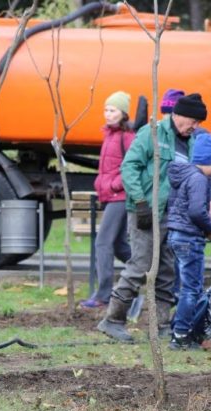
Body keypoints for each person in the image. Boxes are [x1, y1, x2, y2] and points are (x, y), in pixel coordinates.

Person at [96, 93, 208, 343]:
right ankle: (112, 320)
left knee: (167, 271)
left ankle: (160, 325)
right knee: (140, 266)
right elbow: (129, 167)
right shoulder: (153, 133)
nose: (196, 126)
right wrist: (140, 202)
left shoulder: (190, 141)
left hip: (173, 216)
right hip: (147, 211)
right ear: (179, 115)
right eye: (194, 120)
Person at [166, 132, 211, 350]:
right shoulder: (199, 178)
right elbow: (197, 212)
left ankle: (184, 330)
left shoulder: (184, 175)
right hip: (190, 237)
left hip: (176, 235)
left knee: (186, 288)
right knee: (192, 288)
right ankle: (181, 335)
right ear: (205, 161)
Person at [80, 91, 134, 309]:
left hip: (119, 197)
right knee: (120, 246)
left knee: (103, 242)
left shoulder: (127, 137)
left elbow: (132, 167)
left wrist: (113, 185)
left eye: (113, 110)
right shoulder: (109, 135)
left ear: (123, 114)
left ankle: (103, 296)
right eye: (106, 109)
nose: (108, 114)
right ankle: (153, 271)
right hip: (109, 196)